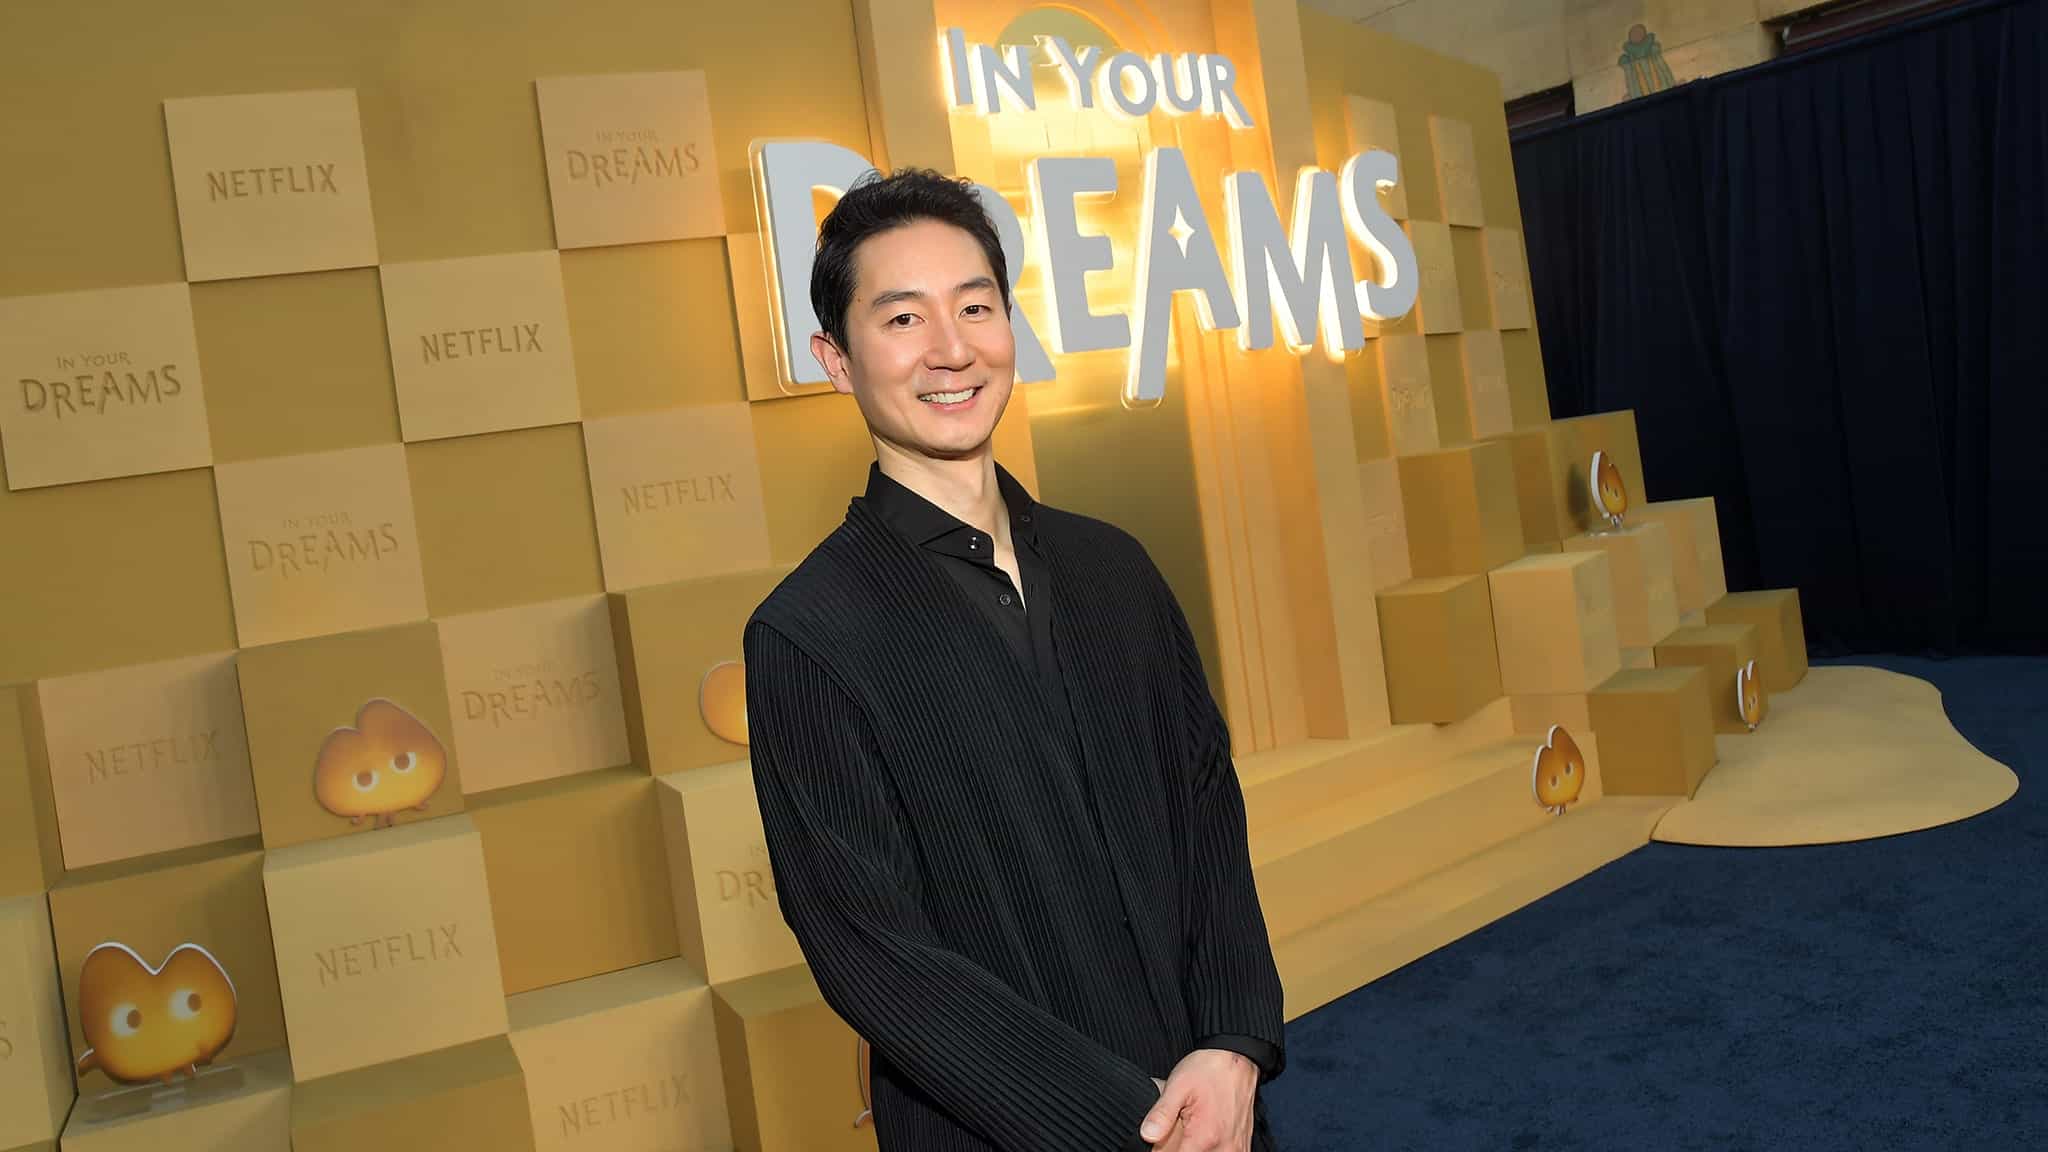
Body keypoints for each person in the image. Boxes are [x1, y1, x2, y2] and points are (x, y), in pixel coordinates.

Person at [744, 167, 1285, 1152]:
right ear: (836, 361)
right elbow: (874, 951)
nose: (951, 349)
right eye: (902, 319)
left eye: (975, 307)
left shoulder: (1113, 565)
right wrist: (1125, 1124)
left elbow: (1206, 809)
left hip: (1212, 1111)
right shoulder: (807, 634)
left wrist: (1231, 1043)